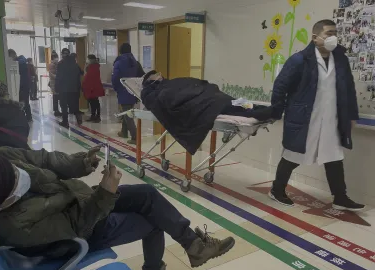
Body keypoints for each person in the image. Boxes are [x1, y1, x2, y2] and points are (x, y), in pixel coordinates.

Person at [0, 146, 235, 270]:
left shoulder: (0, 156)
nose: (23, 179)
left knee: (147, 194)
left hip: (76, 198)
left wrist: (80, 163)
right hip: (77, 233)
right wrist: (106, 193)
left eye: (17, 172)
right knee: (153, 220)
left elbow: (43, 160)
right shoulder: (11, 226)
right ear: (0, 203)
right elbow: (78, 227)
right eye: (16, 186)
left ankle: (193, 245)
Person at [269, 19, 365, 211]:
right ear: (315, 38)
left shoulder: (340, 59)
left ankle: (340, 197)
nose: (333, 37)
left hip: (332, 119)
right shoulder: (299, 60)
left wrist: (351, 115)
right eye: (329, 33)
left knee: (334, 157)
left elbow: (349, 89)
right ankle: (277, 190)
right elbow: (280, 87)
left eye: (335, 33)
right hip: (305, 119)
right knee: (293, 155)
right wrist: (276, 112)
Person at [141, 71, 273, 155]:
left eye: (159, 73)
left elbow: (190, 83)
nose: (159, 75)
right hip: (208, 101)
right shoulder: (155, 92)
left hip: (211, 96)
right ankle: (261, 112)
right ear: (151, 82)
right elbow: (165, 100)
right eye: (156, 75)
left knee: (235, 103)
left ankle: (258, 109)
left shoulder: (171, 83)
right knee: (232, 105)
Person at [112, 43, 145, 144]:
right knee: (127, 111)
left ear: (121, 51)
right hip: (133, 91)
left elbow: (115, 78)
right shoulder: (135, 62)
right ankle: (124, 132)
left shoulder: (118, 63)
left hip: (123, 90)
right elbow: (142, 76)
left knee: (127, 114)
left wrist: (116, 89)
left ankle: (135, 137)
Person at [56, 48, 83, 127]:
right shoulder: (75, 64)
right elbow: (80, 73)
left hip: (63, 89)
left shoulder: (61, 64)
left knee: (63, 105)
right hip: (74, 88)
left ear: (62, 54)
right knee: (73, 105)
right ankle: (78, 117)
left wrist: (57, 87)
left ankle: (65, 122)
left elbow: (59, 77)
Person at [8, 49, 32, 122]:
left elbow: (22, 61)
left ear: (14, 55)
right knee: (21, 102)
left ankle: (28, 117)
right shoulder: (19, 62)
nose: (9, 59)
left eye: (10, 57)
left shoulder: (21, 61)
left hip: (24, 85)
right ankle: (24, 117)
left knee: (25, 101)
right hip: (19, 85)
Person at [82, 54, 105, 123]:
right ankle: (95, 116)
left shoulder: (92, 67)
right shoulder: (94, 66)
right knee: (94, 102)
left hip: (92, 88)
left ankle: (96, 116)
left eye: (87, 59)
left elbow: (89, 78)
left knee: (93, 102)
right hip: (93, 87)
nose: (87, 60)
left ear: (90, 60)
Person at [48, 52, 62, 117]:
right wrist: (58, 77)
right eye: (56, 58)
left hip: (56, 82)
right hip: (54, 82)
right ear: (53, 58)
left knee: (56, 97)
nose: (57, 59)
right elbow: (52, 74)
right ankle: (56, 111)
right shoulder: (52, 65)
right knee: (55, 97)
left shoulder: (56, 64)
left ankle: (57, 110)